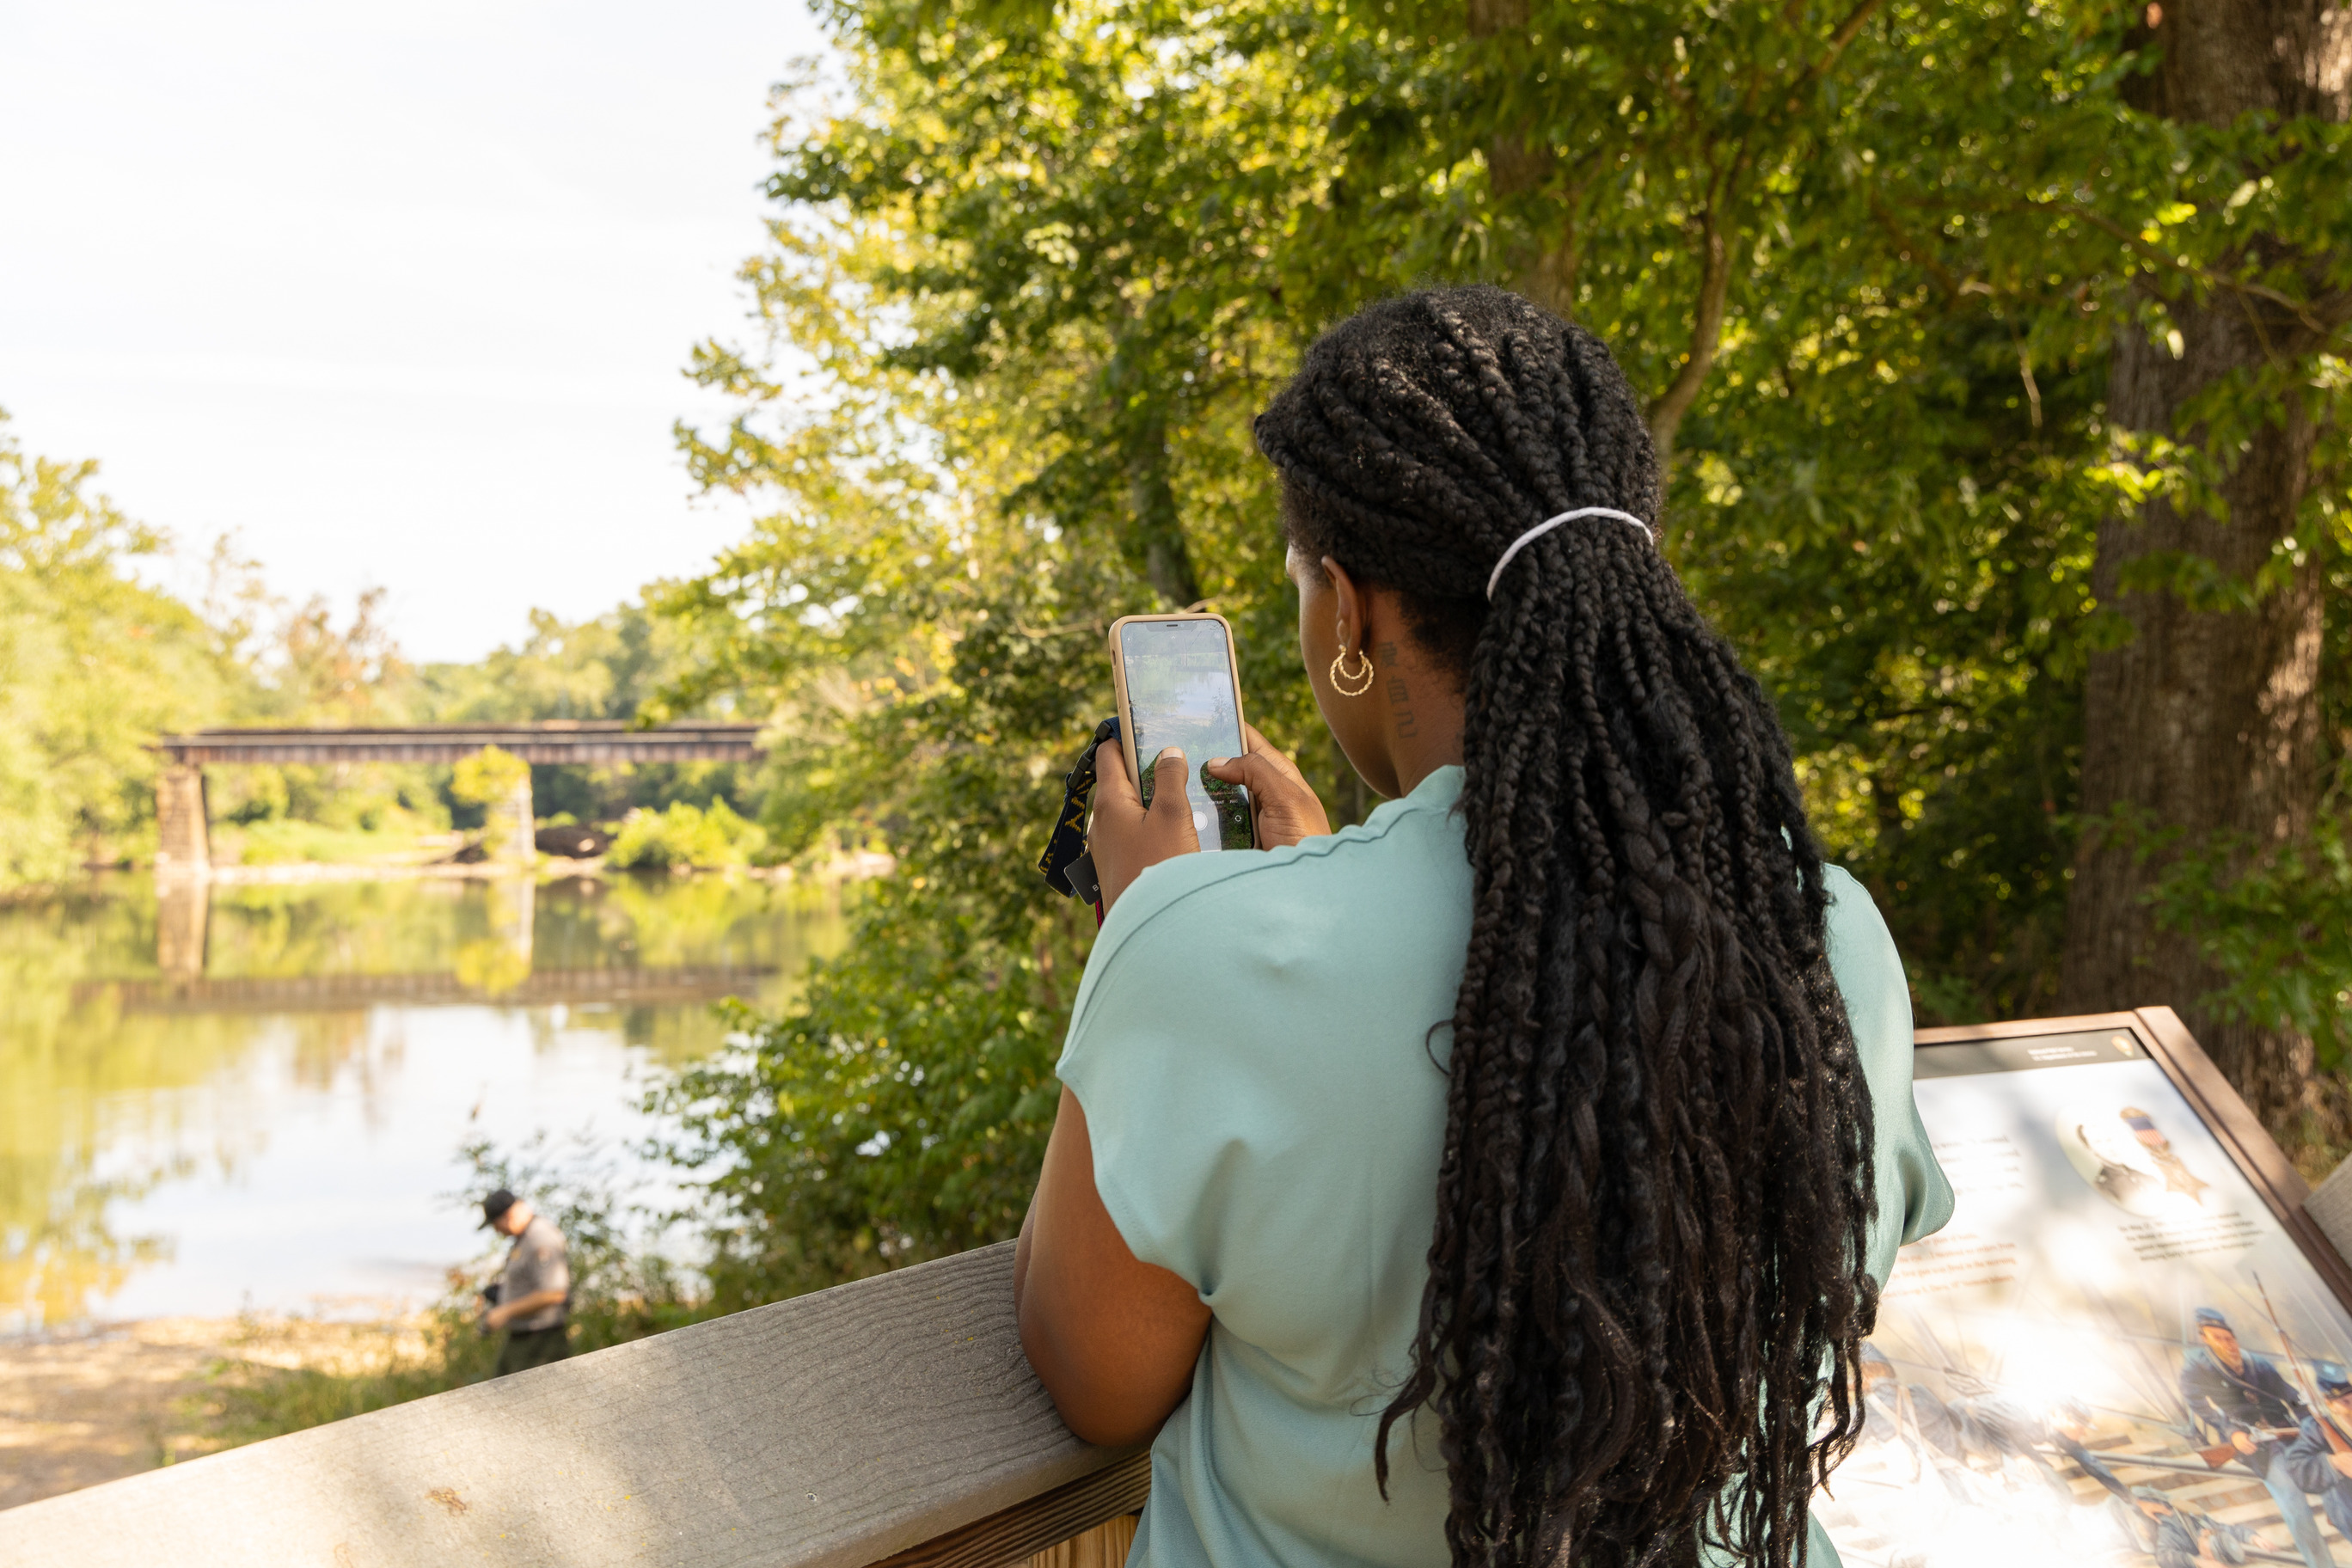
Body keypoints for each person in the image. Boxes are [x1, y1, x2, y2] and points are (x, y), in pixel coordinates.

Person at [1012, 286, 1954, 1568]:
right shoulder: (1831, 936)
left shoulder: (1199, 956)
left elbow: (1095, 1382)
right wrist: (1297, 896)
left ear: (1348, 614)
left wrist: (1160, 927)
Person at [2178, 1307, 2330, 1568]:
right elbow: (2198, 1405)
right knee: (2295, 1507)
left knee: (2335, 1484)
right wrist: (2231, 1433)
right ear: (2204, 1338)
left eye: (2229, 1338)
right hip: (2257, 1446)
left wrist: (2312, 1420)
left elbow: (2289, 1394)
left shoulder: (2256, 1363)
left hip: (2288, 1436)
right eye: (2218, 1339)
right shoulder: (2197, 1367)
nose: (2227, 1344)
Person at [479, 1187, 572, 1377]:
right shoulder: (525, 1238)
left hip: (540, 1342)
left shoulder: (540, 1237)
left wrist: (505, 1311)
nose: (497, 1231)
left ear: (509, 1216)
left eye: (496, 1225)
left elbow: (555, 1293)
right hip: (523, 1339)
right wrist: (500, 1293)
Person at [2282, 1363, 2352, 1540]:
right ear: (2329, 1403)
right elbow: (2297, 1468)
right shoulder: (2316, 1428)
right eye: (2345, 1402)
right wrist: (2333, 1463)